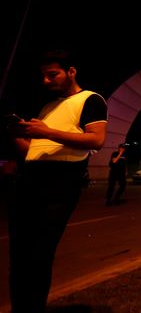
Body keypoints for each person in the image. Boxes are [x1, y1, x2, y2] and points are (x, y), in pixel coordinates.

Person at [6, 49, 108, 312]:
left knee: (39, 254)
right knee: (19, 255)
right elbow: (32, 151)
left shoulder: (91, 99)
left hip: (59, 183)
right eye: (43, 76)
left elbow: (96, 140)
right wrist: (14, 133)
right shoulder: (48, 106)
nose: (46, 81)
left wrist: (46, 131)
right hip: (29, 179)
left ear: (71, 72)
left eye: (53, 75)